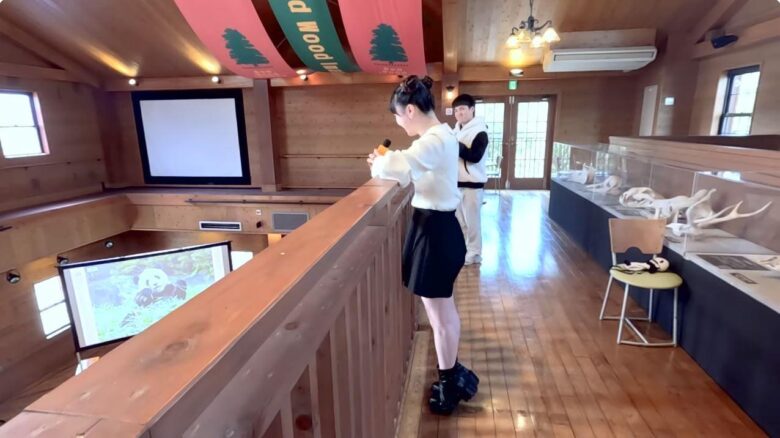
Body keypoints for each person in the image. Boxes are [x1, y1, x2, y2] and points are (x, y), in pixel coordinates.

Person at [367, 76, 479, 415]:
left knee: (440, 317)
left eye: (398, 116)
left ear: (411, 110)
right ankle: (450, 372)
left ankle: (448, 384)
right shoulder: (440, 136)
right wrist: (387, 163)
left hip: (435, 234)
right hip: (436, 230)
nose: (398, 123)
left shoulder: (434, 140)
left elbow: (399, 164)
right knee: (443, 314)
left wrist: (378, 162)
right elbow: (406, 164)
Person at [452, 94, 489, 265]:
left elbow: (475, 156)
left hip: (473, 184)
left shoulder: (480, 131)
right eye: (456, 110)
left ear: (472, 109)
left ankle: (475, 253)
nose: (459, 113)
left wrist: (455, 145)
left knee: (472, 222)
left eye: (462, 109)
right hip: (457, 183)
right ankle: (466, 251)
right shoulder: (456, 130)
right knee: (461, 221)